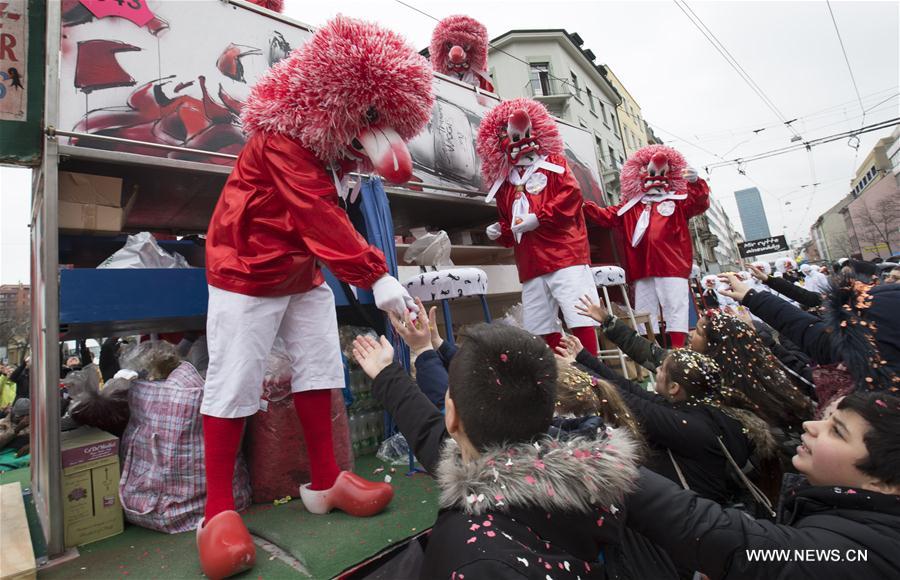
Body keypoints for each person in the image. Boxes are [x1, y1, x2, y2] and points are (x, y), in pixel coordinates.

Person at [196, 16, 434, 579]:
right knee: (235, 381)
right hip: (246, 267)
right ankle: (216, 513)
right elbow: (315, 213)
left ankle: (327, 481)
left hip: (300, 272)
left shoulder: (336, 152)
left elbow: (327, 216)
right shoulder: (282, 136)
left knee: (322, 368)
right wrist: (376, 275)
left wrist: (369, 271)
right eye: (369, 114)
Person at [352, 324, 641, 579]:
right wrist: (390, 371)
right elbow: (431, 434)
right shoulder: (595, 473)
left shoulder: (468, 555)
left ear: (451, 417)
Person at [623, 391, 900, 579]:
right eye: (825, 419)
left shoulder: (859, 551)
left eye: (837, 431)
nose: (811, 426)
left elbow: (738, 544)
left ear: (883, 482)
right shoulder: (846, 515)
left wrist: (607, 465)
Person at [479, 98, 603, 355]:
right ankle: (559, 376)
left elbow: (571, 196)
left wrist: (539, 217)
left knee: (579, 315)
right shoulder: (505, 185)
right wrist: (500, 230)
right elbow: (510, 222)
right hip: (531, 262)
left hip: (564, 255)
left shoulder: (554, 164)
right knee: (540, 323)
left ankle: (594, 376)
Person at [583, 145, 709, 349]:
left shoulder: (677, 203)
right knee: (645, 311)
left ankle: (677, 349)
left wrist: (696, 183)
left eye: (661, 173)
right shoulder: (631, 206)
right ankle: (651, 350)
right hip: (642, 268)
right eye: (652, 173)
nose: (656, 178)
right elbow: (606, 216)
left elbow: (699, 203)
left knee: (675, 307)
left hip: (672, 266)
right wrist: (581, 204)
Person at [719, 272, 900, 408]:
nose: (889, 280)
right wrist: (755, 295)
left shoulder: (876, 414)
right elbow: (812, 332)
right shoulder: (860, 358)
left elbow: (807, 372)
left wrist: (760, 338)